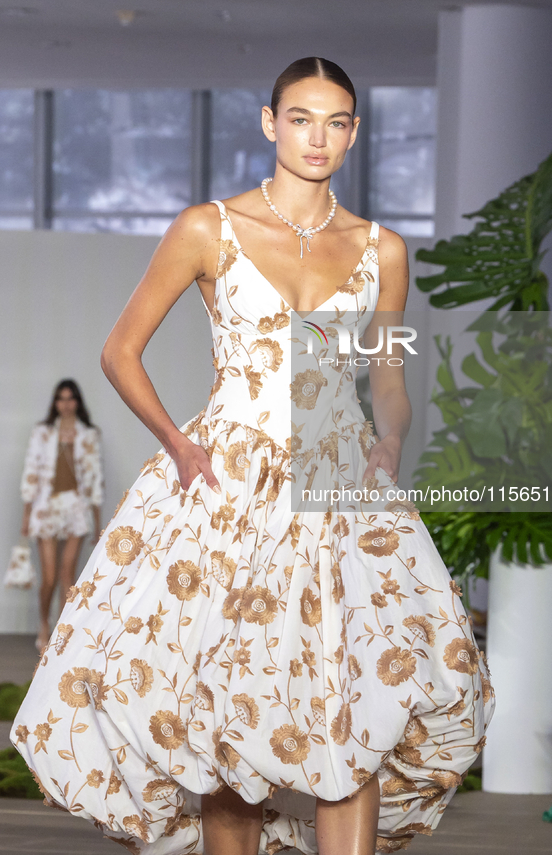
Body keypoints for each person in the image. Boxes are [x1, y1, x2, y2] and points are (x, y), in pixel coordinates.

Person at [11, 58, 494, 855]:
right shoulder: (210, 228)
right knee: (228, 718)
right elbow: (119, 352)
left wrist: (391, 438)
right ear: (270, 123)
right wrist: (177, 444)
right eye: (301, 118)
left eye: (335, 121)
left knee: (355, 707)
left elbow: (389, 381)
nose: (318, 137)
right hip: (228, 483)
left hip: (340, 487)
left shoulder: (384, 249)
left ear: (354, 133)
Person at [20, 379, 103, 651]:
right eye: (60, 398)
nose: (65, 404)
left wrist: (98, 518)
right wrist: (26, 513)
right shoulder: (42, 432)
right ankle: (43, 622)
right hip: (46, 507)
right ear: (55, 402)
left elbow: (94, 476)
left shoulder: (88, 434)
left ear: (77, 401)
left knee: (69, 575)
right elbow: (32, 469)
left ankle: (61, 634)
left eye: (70, 398)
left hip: (75, 508)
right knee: (50, 577)